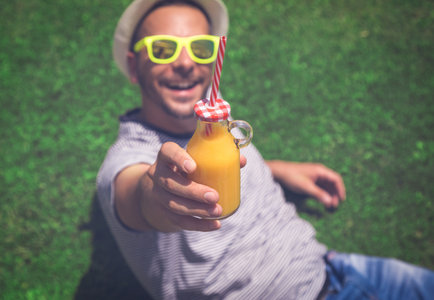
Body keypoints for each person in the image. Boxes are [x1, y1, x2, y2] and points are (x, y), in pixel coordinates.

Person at [97, 0, 434, 299]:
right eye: (163, 48)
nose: (185, 62)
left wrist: (276, 169)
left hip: (338, 268)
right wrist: (159, 195)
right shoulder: (127, 157)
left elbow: (217, 168)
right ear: (132, 65)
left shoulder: (215, 128)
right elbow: (138, 195)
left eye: (200, 48)